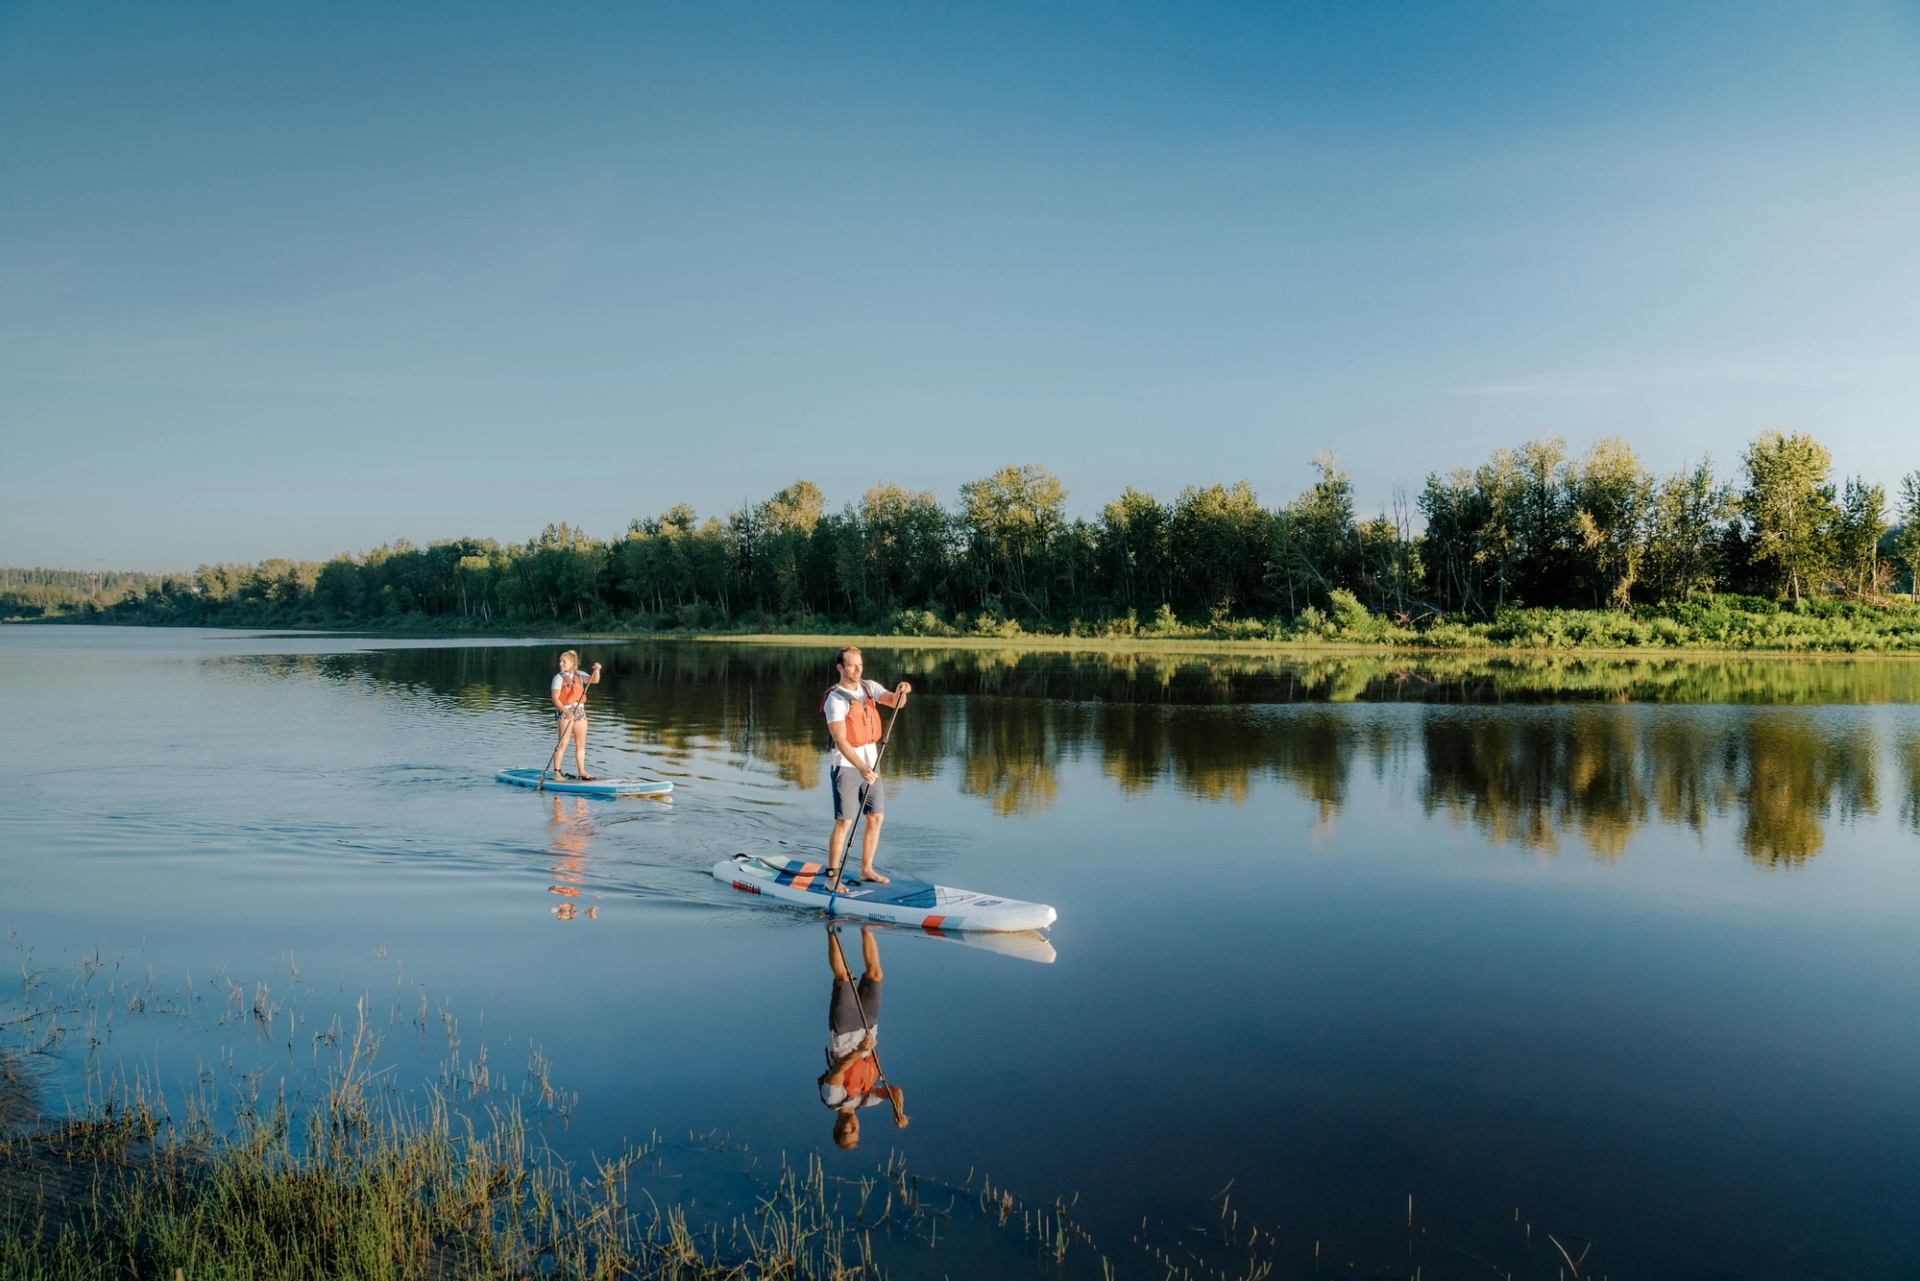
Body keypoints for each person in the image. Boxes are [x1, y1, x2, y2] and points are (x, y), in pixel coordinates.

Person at [822, 646, 910, 886]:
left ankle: (866, 869)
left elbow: (895, 702)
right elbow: (840, 740)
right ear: (840, 667)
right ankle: (831, 878)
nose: (858, 669)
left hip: (872, 766)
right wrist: (861, 767)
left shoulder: (869, 687)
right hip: (848, 767)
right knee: (844, 822)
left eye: (860, 664)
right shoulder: (835, 699)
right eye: (852, 665)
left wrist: (903, 691)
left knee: (876, 817)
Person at [817, 925, 907, 1149]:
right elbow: (894, 1091)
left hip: (845, 1031)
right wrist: (898, 1110)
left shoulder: (832, 1100)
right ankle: (866, 929)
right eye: (857, 1133)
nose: (855, 1128)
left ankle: (830, 929)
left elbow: (837, 1071)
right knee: (876, 975)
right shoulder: (866, 1101)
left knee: (844, 977)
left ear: (838, 1128)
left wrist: (858, 1051)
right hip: (868, 1028)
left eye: (849, 1132)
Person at [547, 650, 602, 781]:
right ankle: (557, 773)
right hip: (565, 712)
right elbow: (555, 699)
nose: (560, 663)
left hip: (580, 712)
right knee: (563, 744)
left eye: (563, 661)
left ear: (572, 663)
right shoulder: (558, 678)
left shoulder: (580, 675)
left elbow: (594, 680)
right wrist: (567, 713)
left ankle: (582, 771)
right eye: (560, 661)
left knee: (581, 744)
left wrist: (597, 670)